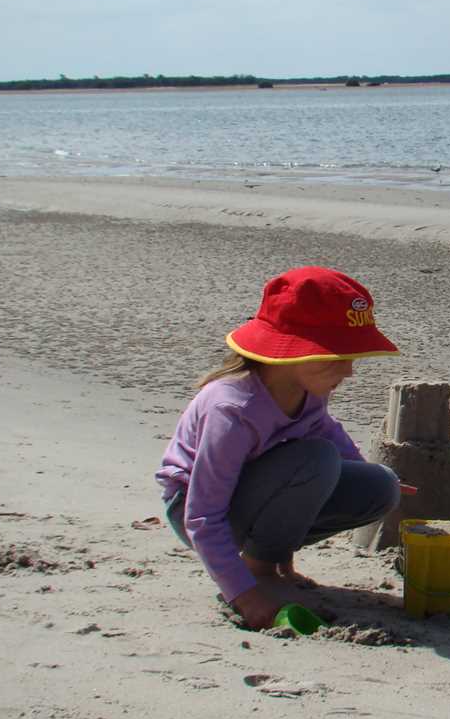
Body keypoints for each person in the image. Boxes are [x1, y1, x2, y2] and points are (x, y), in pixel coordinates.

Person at [155, 266, 411, 629]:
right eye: (337, 357)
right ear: (294, 352)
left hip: (255, 493)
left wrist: (365, 470)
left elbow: (325, 429)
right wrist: (245, 596)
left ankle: (268, 558)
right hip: (194, 510)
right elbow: (202, 515)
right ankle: (259, 571)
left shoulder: (307, 389)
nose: (349, 372)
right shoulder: (233, 410)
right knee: (316, 459)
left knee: (379, 486)